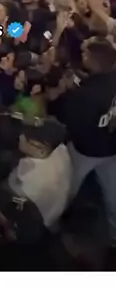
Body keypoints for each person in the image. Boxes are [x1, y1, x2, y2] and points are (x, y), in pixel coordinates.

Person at [53, 36, 116, 244]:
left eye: (85, 53)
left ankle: (53, 223)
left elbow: (70, 120)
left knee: (66, 187)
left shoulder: (87, 94)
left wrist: (68, 92)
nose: (82, 56)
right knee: (113, 193)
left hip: (85, 150)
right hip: (111, 148)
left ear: (94, 60)